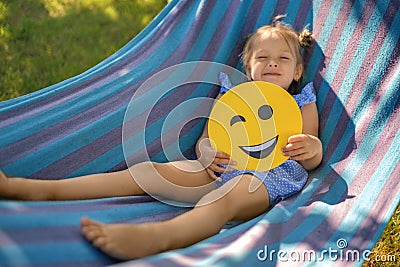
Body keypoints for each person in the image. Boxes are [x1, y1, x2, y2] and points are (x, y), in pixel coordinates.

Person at [0, 17, 322, 260]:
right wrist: (206, 150)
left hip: (266, 178)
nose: (272, 64)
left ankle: (156, 238)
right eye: (262, 57)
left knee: (221, 202)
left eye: (282, 59)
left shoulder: (300, 102)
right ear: (248, 66)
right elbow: (210, 137)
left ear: (296, 71)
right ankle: (38, 189)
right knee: (148, 171)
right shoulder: (235, 96)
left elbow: (312, 154)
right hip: (220, 168)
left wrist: (311, 148)